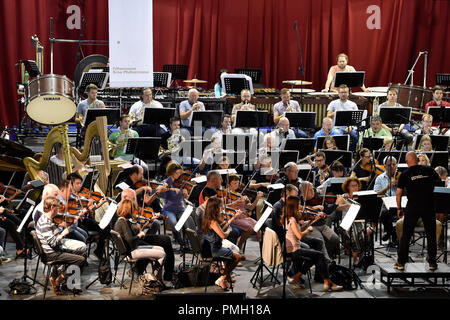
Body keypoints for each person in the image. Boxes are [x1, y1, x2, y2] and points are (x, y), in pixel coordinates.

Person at [282, 195, 343, 292]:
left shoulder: (288, 217)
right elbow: (300, 236)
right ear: (294, 206)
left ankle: (297, 277)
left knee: (317, 253)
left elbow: (298, 230)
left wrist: (312, 220)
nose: (301, 206)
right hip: (294, 250)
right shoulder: (292, 220)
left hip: (292, 248)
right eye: (299, 204)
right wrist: (308, 231)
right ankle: (328, 282)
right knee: (319, 255)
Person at [395, 152, 441, 271]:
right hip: (428, 206)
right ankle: (432, 262)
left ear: (407, 162)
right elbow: (439, 181)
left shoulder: (405, 174)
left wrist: (399, 208)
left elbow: (398, 193)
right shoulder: (429, 170)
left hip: (413, 207)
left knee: (406, 234)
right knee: (431, 234)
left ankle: (401, 262)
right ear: (417, 159)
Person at [35, 196, 86, 295]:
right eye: (57, 207)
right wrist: (63, 234)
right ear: (52, 207)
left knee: (81, 250)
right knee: (81, 259)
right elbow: (54, 242)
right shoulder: (45, 222)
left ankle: (66, 282)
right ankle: (60, 279)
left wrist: (68, 225)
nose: (59, 210)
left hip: (55, 249)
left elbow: (55, 235)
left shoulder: (48, 219)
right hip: (52, 253)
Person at [114, 199, 166, 281]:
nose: (134, 212)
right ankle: (156, 281)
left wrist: (143, 228)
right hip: (131, 252)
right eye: (133, 209)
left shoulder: (121, 221)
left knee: (161, 249)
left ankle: (154, 278)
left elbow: (131, 237)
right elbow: (130, 240)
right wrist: (139, 235)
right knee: (162, 254)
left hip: (132, 249)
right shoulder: (123, 222)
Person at [201, 197, 242, 290]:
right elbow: (223, 235)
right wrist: (228, 232)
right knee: (238, 257)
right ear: (215, 208)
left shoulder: (207, 218)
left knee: (232, 254)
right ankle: (222, 278)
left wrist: (233, 218)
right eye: (219, 207)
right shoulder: (213, 221)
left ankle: (225, 278)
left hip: (209, 247)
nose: (221, 209)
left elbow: (221, 229)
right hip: (214, 250)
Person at [335, 176, 372, 266]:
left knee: (367, 231)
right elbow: (338, 208)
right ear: (348, 187)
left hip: (360, 221)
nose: (355, 188)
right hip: (348, 222)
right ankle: (355, 257)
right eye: (352, 186)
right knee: (354, 233)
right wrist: (347, 204)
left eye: (356, 185)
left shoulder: (362, 197)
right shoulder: (344, 196)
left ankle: (362, 255)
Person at [160, 161, 195, 249]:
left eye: (180, 172)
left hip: (180, 208)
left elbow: (186, 198)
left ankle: (189, 242)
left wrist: (186, 194)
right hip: (169, 209)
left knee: (187, 221)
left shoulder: (181, 182)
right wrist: (171, 189)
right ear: (171, 172)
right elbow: (159, 189)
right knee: (174, 223)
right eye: (177, 173)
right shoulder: (166, 182)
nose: (179, 175)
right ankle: (181, 243)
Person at [374, 156, 400, 243]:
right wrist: (388, 186)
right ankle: (393, 233)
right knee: (384, 214)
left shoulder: (401, 177)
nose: (392, 167)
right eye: (389, 165)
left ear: (396, 165)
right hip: (386, 203)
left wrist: (400, 185)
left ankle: (390, 232)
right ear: (384, 166)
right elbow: (377, 193)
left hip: (400, 202)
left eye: (393, 164)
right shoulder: (379, 178)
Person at [326, 84, 359, 150]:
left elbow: (356, 120)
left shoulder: (353, 104)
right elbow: (328, 115)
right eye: (341, 92)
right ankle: (339, 151)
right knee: (338, 136)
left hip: (349, 126)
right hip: (337, 127)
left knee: (356, 136)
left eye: (345, 92)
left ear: (348, 93)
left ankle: (350, 152)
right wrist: (336, 112)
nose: (343, 94)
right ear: (338, 94)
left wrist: (351, 127)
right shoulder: (333, 103)